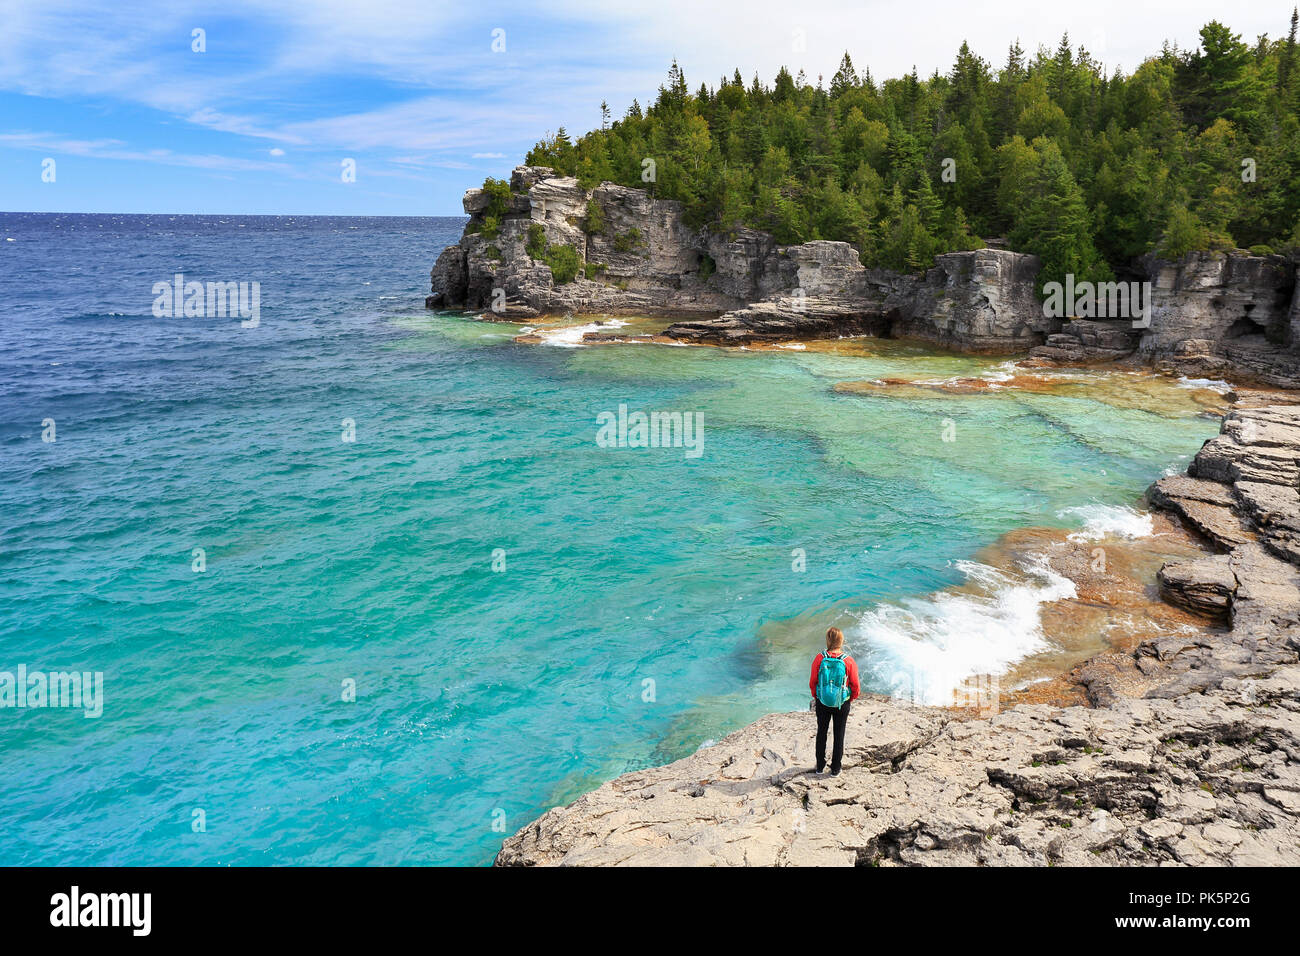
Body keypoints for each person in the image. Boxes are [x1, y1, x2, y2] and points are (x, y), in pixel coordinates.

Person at [809, 626, 859, 776]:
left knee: (821, 733)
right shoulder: (848, 661)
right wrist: (851, 698)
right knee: (839, 734)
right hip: (841, 703)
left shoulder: (820, 658)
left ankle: (819, 766)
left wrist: (816, 696)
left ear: (828, 640)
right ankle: (835, 768)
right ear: (841, 640)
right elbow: (855, 684)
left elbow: (813, 681)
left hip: (822, 702)